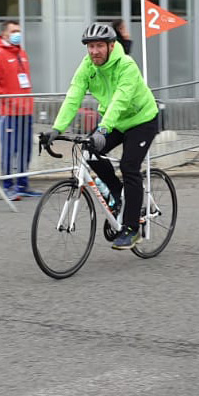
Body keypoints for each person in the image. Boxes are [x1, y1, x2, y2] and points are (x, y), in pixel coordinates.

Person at [42, 23, 160, 250]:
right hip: (114, 121)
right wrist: (56, 129)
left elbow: (120, 101)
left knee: (129, 166)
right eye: (90, 46)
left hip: (142, 120)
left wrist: (103, 130)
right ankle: (117, 193)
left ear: (111, 45)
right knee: (89, 151)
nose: (94, 51)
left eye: (98, 46)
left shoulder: (126, 65)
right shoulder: (87, 66)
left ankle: (131, 228)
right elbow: (73, 96)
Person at [0, 20, 38, 201]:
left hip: (25, 112)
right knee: (10, 150)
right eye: (14, 31)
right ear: (4, 34)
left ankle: (22, 185)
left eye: (19, 31)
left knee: (24, 150)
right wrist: (10, 100)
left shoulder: (21, 53)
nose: (18, 34)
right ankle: (8, 186)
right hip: (7, 114)